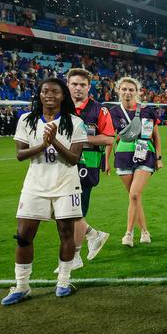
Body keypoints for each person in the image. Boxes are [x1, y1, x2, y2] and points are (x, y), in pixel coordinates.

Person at [3, 78, 87, 306]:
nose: (49, 94)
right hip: (34, 186)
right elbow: (20, 155)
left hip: (66, 185)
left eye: (55, 91)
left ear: (63, 96)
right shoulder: (26, 120)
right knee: (23, 236)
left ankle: (63, 281)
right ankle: (22, 285)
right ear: (39, 95)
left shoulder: (75, 123)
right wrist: (42, 145)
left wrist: (54, 142)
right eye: (45, 91)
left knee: (66, 234)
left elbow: (74, 159)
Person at [63, 68, 112, 271]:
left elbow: (109, 138)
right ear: (68, 85)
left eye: (82, 85)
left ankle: (75, 256)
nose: (78, 88)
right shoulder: (60, 108)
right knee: (64, 211)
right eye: (74, 84)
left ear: (89, 87)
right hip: (64, 164)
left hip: (87, 165)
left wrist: (80, 139)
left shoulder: (98, 110)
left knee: (75, 211)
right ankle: (93, 235)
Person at [107, 77, 161, 246]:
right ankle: (144, 232)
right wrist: (106, 160)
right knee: (134, 198)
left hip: (146, 153)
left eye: (131, 89)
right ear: (118, 91)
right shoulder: (113, 112)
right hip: (123, 155)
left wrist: (159, 158)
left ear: (137, 92)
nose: (127, 92)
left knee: (135, 194)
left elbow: (156, 136)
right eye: (124, 89)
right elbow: (110, 137)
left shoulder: (147, 110)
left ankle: (128, 234)